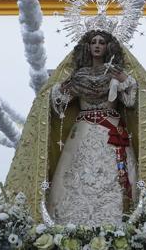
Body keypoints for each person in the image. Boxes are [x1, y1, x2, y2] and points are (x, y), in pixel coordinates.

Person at [48, 30, 138, 224]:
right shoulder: (79, 76)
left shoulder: (114, 73)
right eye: (93, 42)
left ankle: (116, 218)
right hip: (83, 131)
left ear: (108, 47)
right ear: (87, 47)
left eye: (102, 42)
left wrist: (124, 80)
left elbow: (130, 101)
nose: (97, 45)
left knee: (113, 176)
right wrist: (62, 88)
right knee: (76, 174)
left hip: (110, 130)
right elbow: (59, 102)